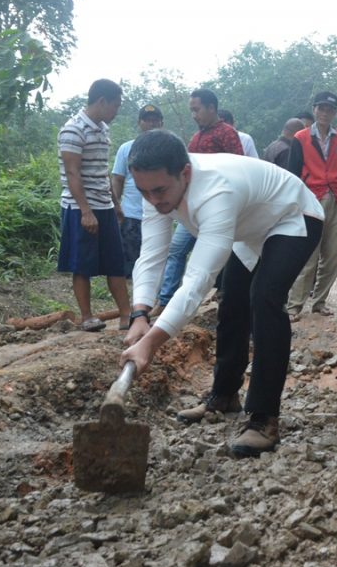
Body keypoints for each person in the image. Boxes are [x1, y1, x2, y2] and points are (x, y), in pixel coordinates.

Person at [120, 130, 324, 457]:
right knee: (231, 299)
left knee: (265, 298)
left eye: (159, 190)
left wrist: (151, 343)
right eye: (144, 192)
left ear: (185, 173)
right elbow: (152, 255)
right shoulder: (155, 189)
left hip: (293, 215)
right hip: (250, 226)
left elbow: (197, 280)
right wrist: (140, 313)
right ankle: (225, 395)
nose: (153, 201)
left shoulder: (217, 190)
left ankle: (264, 417)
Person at [151, 90, 243, 316]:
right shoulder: (195, 138)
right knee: (177, 249)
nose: (193, 115)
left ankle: (224, 299)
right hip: (192, 207)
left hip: (219, 208)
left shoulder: (227, 134)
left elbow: (240, 168)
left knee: (221, 255)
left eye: (196, 109)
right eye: (191, 110)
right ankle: (166, 301)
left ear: (211, 108)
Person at [57, 79, 131, 331]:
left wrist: (115, 203)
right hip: (79, 207)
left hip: (104, 205)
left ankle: (126, 314)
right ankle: (87, 316)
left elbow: (102, 170)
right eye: (115, 105)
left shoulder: (102, 129)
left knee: (115, 261)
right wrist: (86, 211)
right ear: (101, 101)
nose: (116, 111)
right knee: (82, 264)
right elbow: (72, 173)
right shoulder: (73, 129)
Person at [286, 92, 337, 318]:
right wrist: (294, 204)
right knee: (308, 255)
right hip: (310, 200)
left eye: (329, 109)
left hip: (336, 198)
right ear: (314, 109)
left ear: (335, 112)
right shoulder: (301, 137)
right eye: (321, 108)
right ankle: (294, 305)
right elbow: (293, 173)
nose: (325, 112)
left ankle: (320, 301)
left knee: (333, 256)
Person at [112, 105, 165, 278]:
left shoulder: (167, 149)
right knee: (130, 265)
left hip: (159, 213)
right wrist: (115, 206)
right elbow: (118, 179)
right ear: (139, 123)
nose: (151, 124)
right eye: (147, 120)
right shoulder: (126, 148)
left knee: (155, 261)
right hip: (131, 215)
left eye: (155, 120)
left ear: (161, 123)